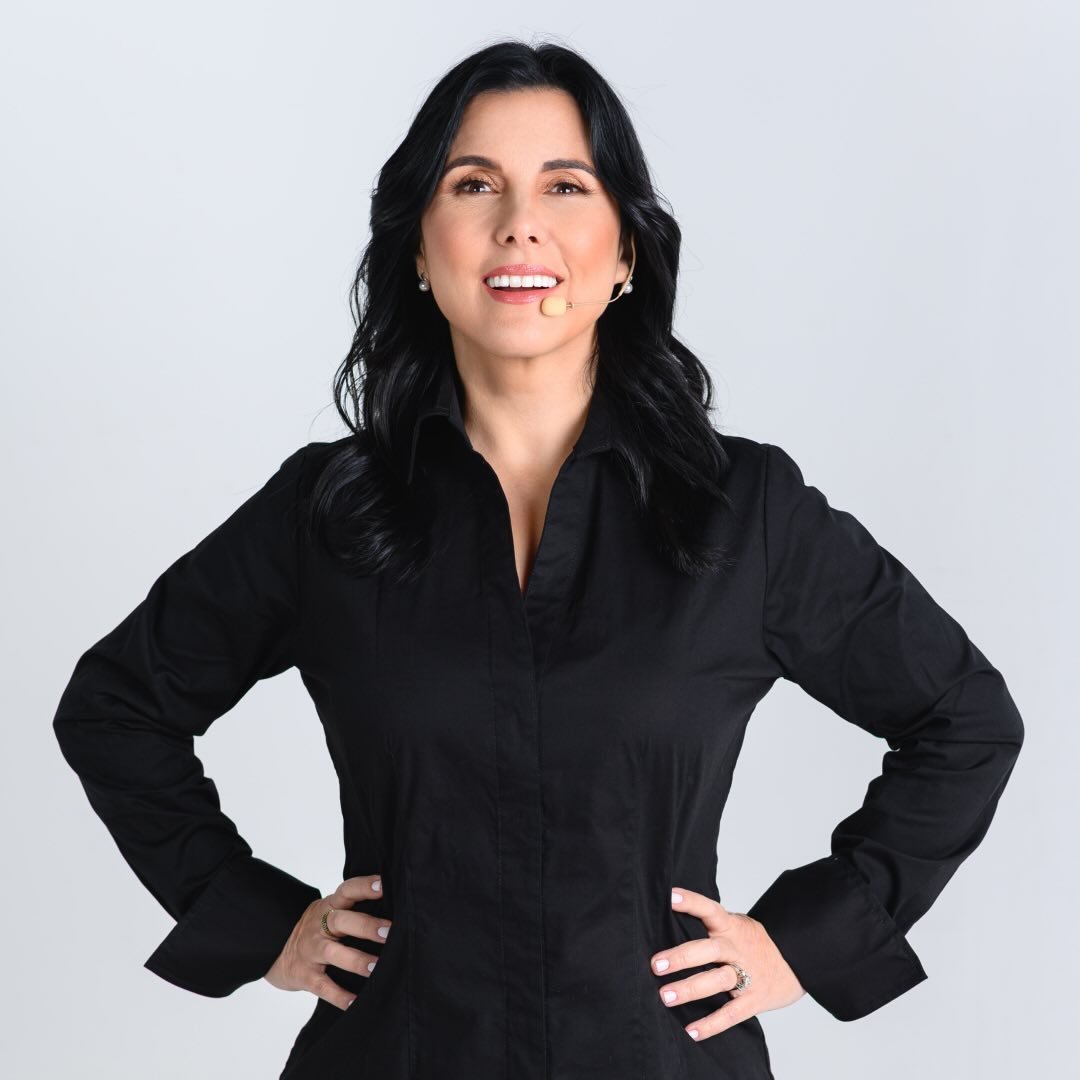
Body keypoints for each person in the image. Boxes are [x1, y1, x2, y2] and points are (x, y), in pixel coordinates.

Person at [52, 39, 1025, 1080]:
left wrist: (805, 942)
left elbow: (962, 719)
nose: (520, 222)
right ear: (419, 248)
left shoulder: (744, 511)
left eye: (566, 185)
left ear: (626, 252)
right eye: (474, 185)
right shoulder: (326, 510)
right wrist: (262, 923)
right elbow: (117, 708)